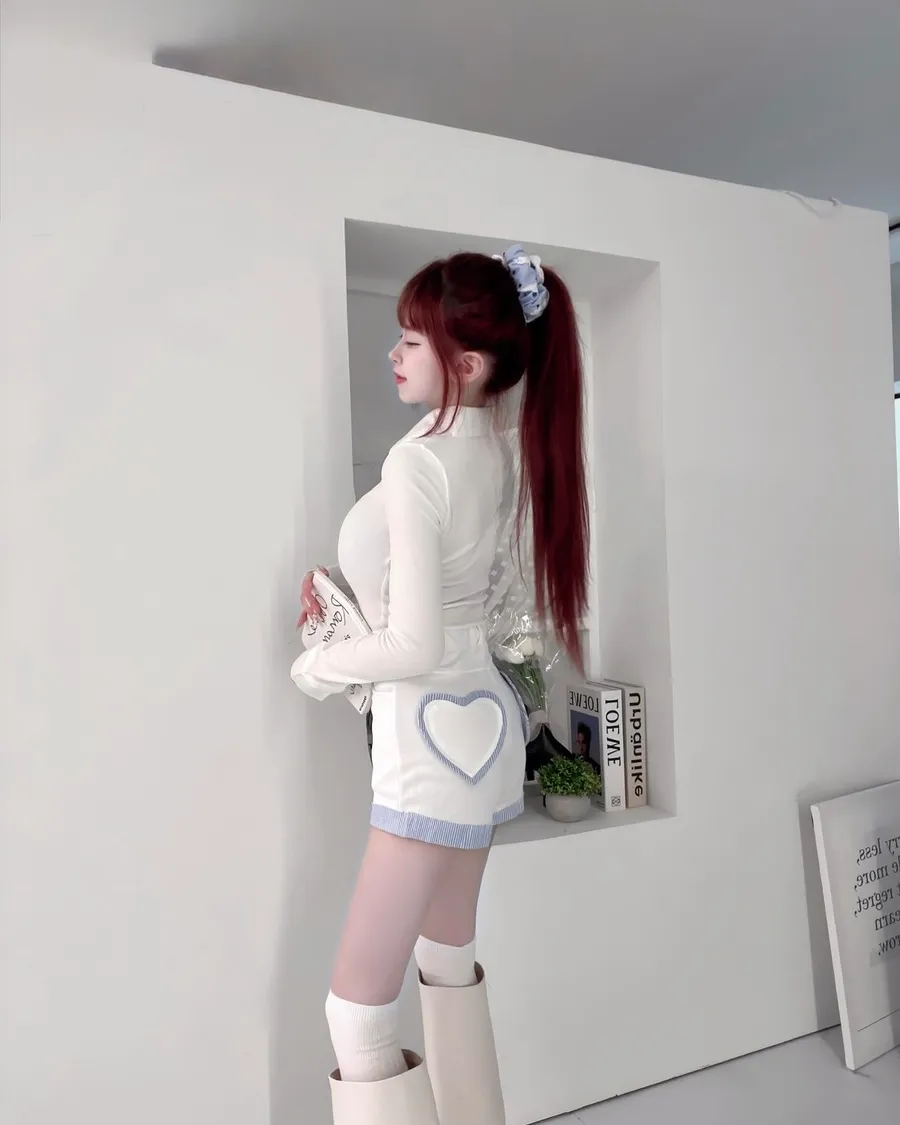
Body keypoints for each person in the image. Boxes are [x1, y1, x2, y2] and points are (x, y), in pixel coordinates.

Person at [291, 245, 589, 1125]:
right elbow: (452, 615)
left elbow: (413, 641)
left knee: (356, 1012)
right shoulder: (500, 449)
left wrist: (317, 665)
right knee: (447, 960)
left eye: (414, 339)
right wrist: (349, 616)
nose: (395, 353)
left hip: (426, 736)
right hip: (483, 727)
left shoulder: (417, 461)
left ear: (468, 363)